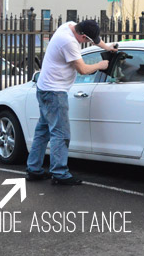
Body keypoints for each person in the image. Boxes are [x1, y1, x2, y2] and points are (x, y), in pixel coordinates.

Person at [26, 19, 117, 185]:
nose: (87, 43)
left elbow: (95, 39)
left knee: (43, 130)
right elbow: (82, 69)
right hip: (54, 92)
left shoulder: (69, 25)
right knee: (60, 134)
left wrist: (107, 47)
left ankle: (33, 169)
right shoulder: (68, 42)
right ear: (82, 35)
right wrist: (100, 65)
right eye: (87, 40)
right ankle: (59, 174)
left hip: (44, 88)